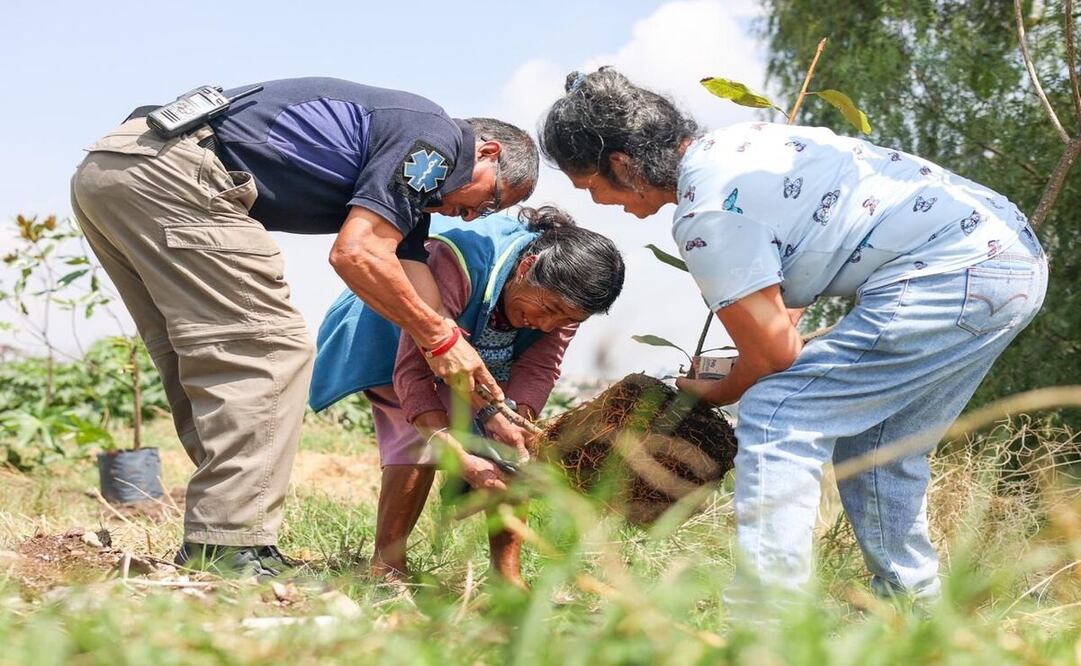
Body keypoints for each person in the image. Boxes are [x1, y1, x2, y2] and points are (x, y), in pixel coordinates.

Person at [539, 67, 1048, 608]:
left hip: (954, 269)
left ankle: (765, 622)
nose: (597, 203)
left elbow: (775, 356)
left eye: (590, 185)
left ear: (622, 164)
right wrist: (736, 363)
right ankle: (915, 610)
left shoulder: (706, 212)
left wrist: (705, 390)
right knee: (880, 446)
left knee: (780, 414)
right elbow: (785, 310)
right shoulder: (740, 143)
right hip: (1008, 259)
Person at [70, 77, 539, 577]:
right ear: (485, 152)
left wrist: (484, 399)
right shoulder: (435, 139)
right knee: (272, 349)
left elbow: (415, 284)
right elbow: (357, 253)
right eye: (489, 201)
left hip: (116, 170)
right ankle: (230, 549)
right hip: (177, 176)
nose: (470, 218)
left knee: (202, 354)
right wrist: (441, 338)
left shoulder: (408, 187)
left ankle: (224, 535)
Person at [310, 206, 625, 587]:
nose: (547, 325)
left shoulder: (563, 306)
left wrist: (514, 422)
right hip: (392, 335)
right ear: (526, 268)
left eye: (566, 320)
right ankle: (387, 569)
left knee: (512, 452)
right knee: (418, 440)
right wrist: (457, 456)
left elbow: (538, 369)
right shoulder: (457, 261)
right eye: (549, 310)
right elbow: (413, 371)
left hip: (479, 356)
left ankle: (506, 578)